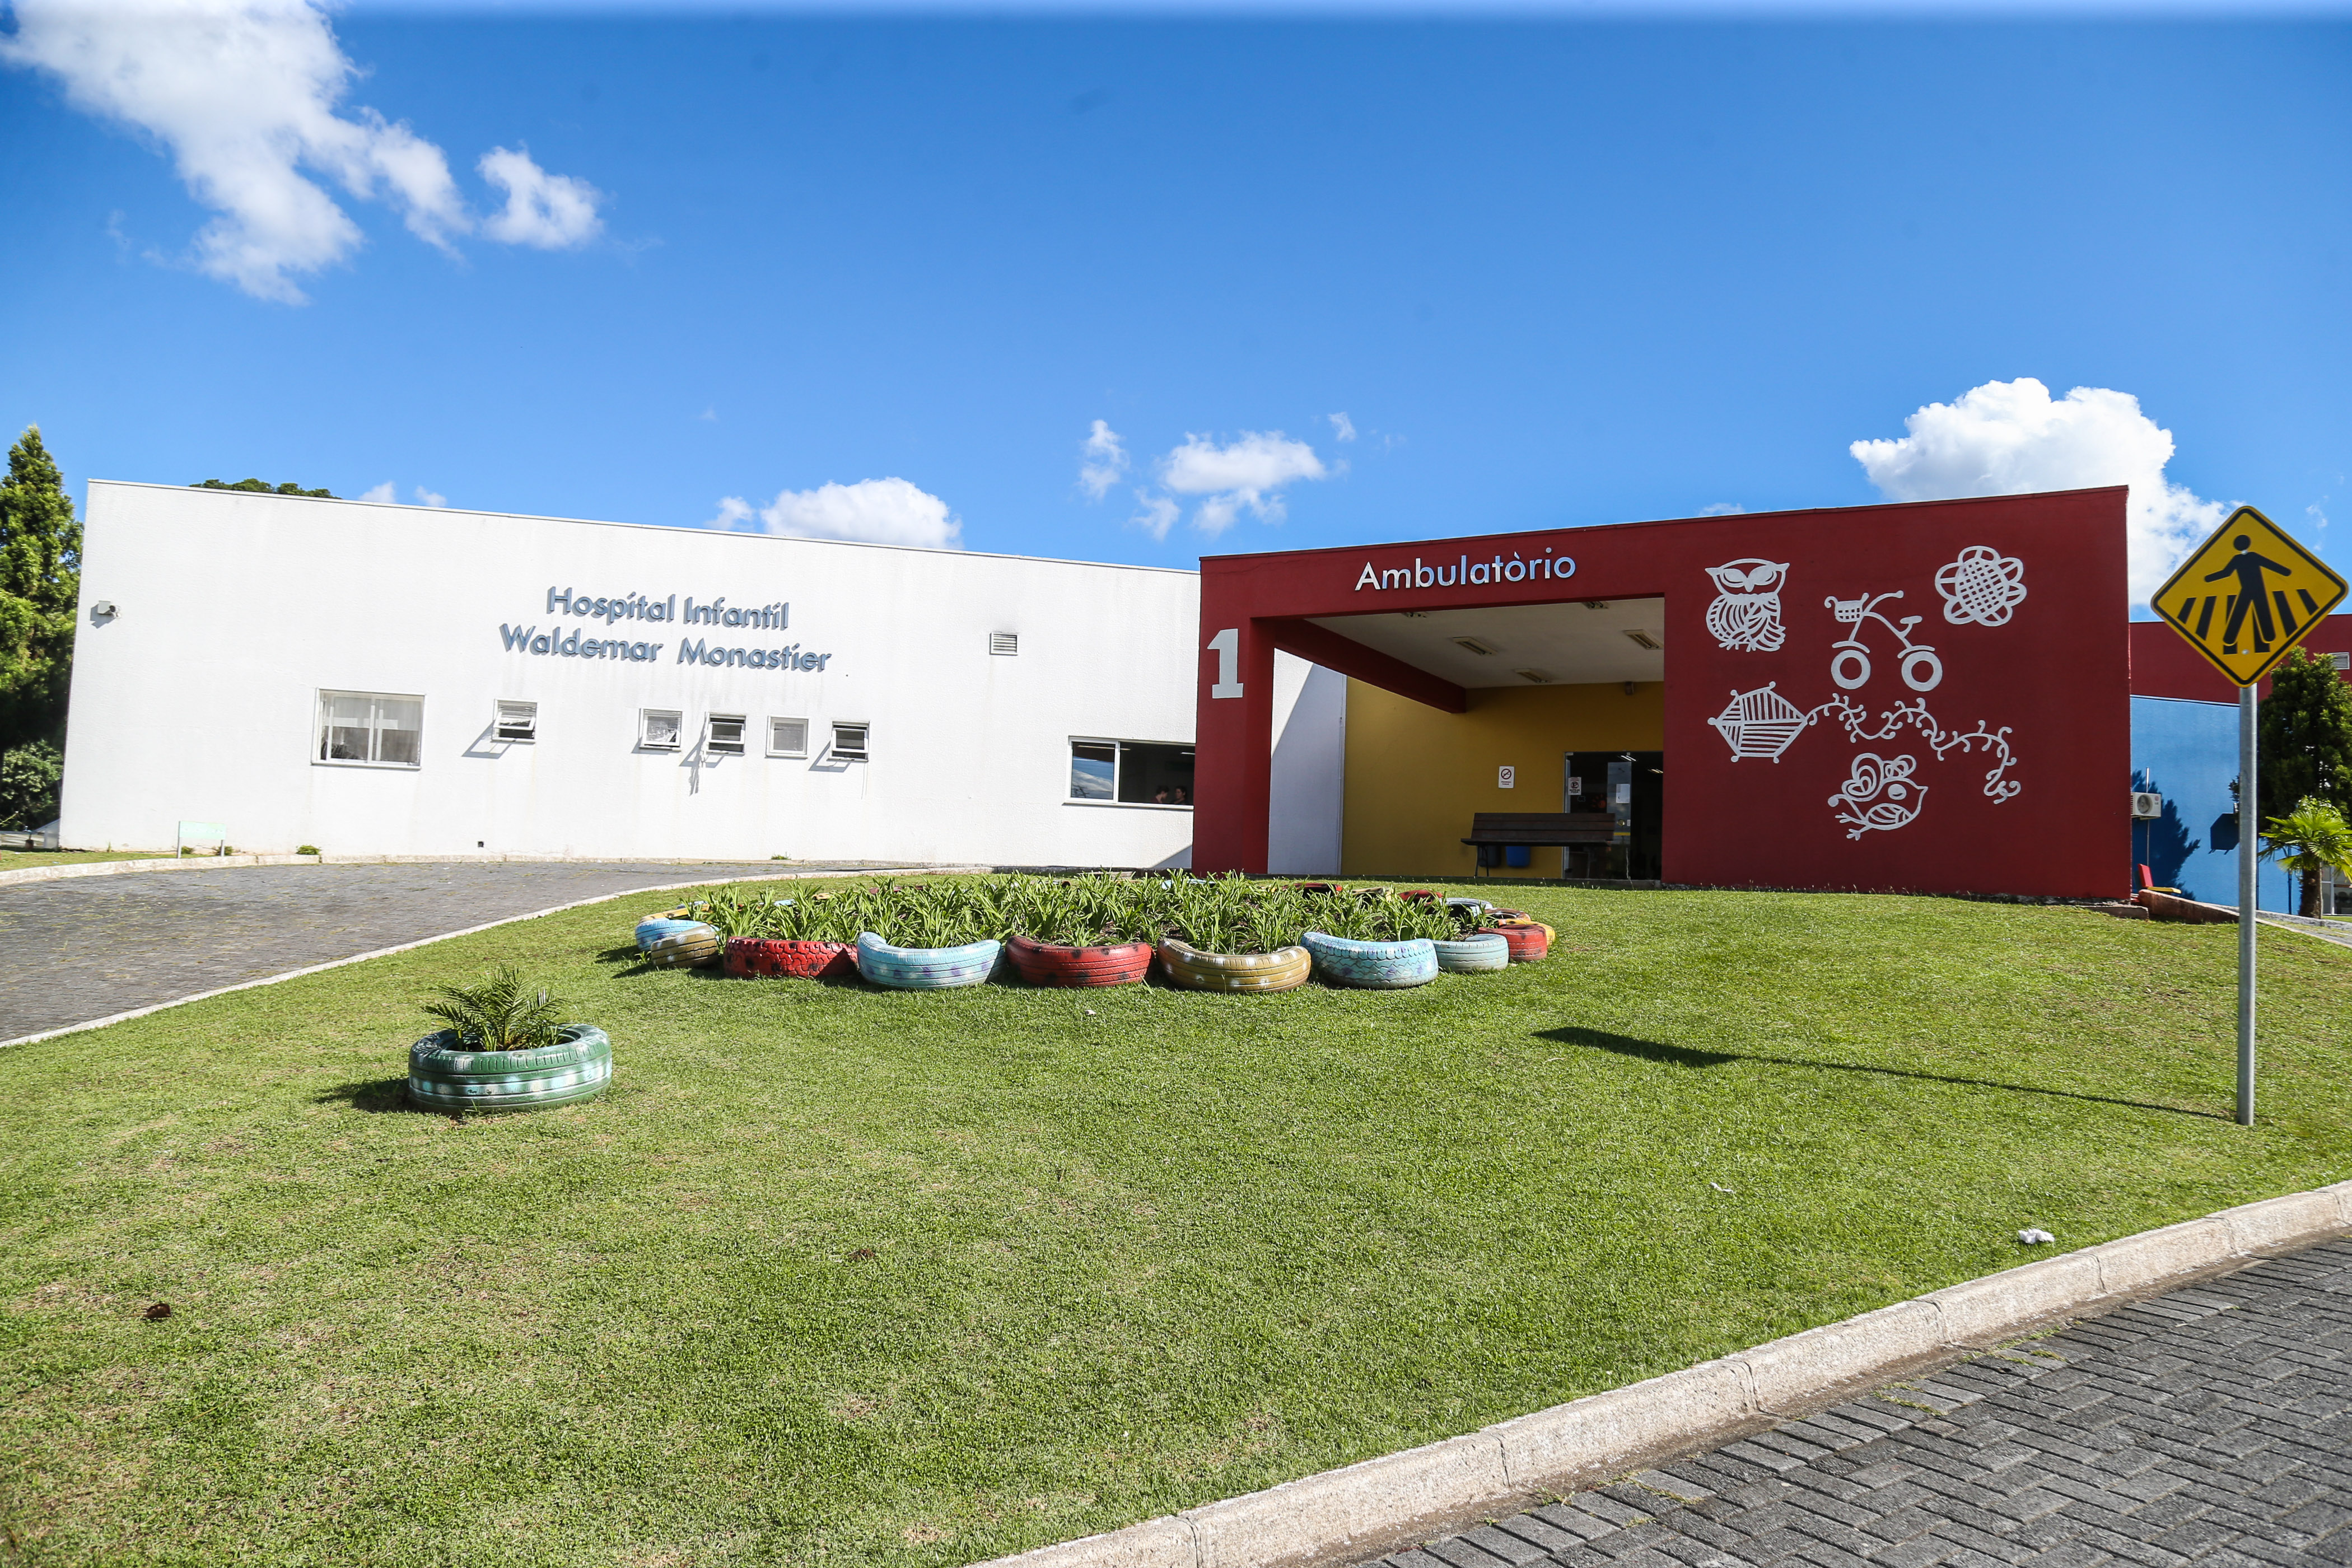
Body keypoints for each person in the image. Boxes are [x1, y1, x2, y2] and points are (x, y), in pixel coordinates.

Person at [2205, 534, 2294, 653]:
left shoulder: (2240, 558)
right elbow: (2269, 564)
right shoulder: (2246, 557)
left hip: (2251, 589)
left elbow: (2226, 573)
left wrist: (2208, 579)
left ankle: (2231, 638)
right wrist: (2208, 579)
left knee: (2246, 611)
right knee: (2257, 611)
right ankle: (2235, 638)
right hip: (2253, 589)